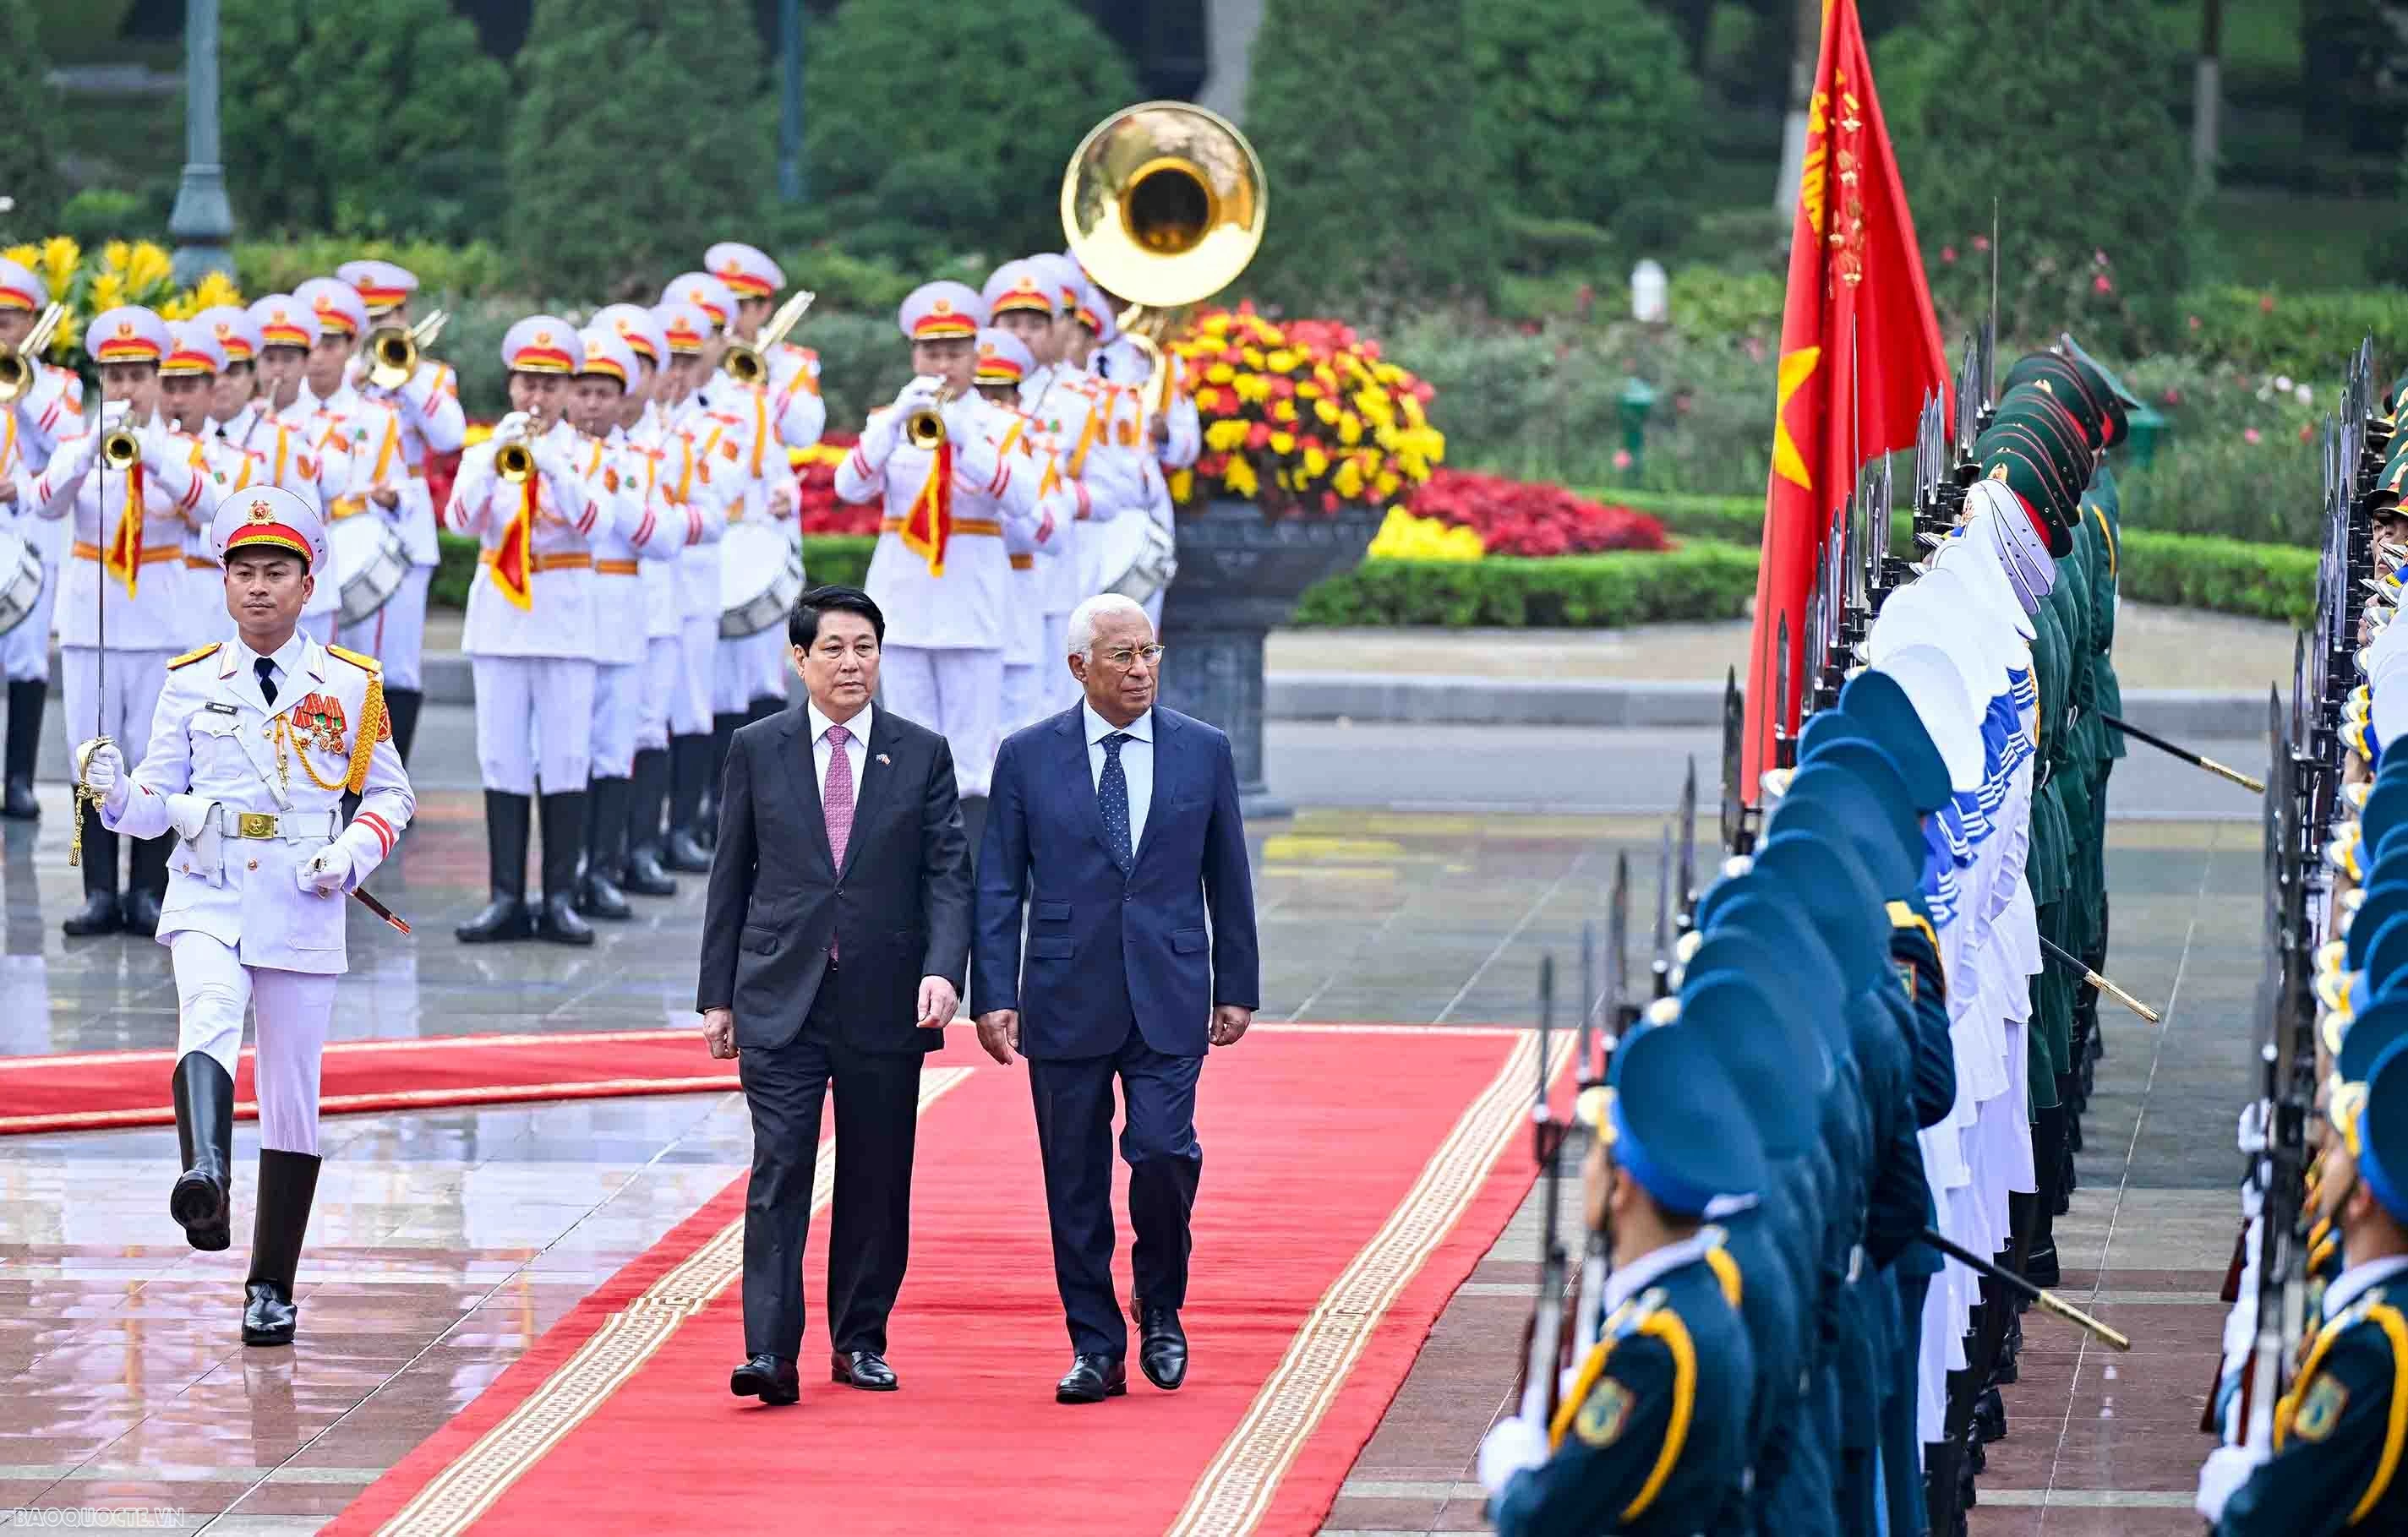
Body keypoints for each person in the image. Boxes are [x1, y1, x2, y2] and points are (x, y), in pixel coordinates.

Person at [75, 482, 412, 1344]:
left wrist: (353, 851)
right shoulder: (190, 681)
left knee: (294, 1094)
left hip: (302, 896)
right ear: (223, 583)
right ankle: (207, 1176)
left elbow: (390, 795)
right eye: (243, 571)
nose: (258, 587)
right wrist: (115, 794)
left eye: (277, 571)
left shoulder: (348, 683)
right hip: (209, 886)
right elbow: (158, 798)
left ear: (308, 584)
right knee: (208, 1015)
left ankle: (272, 1285)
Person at [972, 591, 1259, 1403]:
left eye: (1150, 653)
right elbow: (999, 883)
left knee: (1165, 1152)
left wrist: (1236, 981)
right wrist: (993, 991)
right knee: (1074, 1176)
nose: (1141, 670)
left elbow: (1227, 874)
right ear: (1079, 668)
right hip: (1064, 992)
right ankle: (1094, 1343)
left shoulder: (1202, 750)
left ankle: (1159, 1302)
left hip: (1169, 986)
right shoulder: (1027, 756)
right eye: (1123, 656)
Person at [696, 585, 970, 1404]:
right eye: (835, 649)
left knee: (877, 1175)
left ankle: (859, 1339)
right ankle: (769, 1352)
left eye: (865, 648)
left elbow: (947, 874)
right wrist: (718, 995)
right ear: (799, 658)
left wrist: (943, 968)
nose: (852, 663)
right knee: (779, 1168)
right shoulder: (758, 746)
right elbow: (729, 874)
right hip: (780, 992)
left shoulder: (919, 752)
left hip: (885, 997)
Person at [1477, 1022, 1763, 1537]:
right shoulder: (1707, 1290)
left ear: (1621, 1189)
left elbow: (1547, 1516)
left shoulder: (1653, 1349)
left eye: (1594, 1154)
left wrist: (1511, 1473)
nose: (1584, 1169)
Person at [23, 304, 210, 937]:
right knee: (91, 754)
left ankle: (147, 890)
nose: (126, 386)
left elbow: (211, 505)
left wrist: (151, 453)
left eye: (138, 373)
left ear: (159, 379)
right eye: (115, 373)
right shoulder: (81, 444)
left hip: (159, 620)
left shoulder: (179, 447)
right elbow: (43, 504)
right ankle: (99, 890)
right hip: (92, 623)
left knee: (158, 757)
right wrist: (82, 455)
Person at [2201, 1034, 2408, 1534]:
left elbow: (2278, 1513)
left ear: (2361, 1198)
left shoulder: (2373, 1349)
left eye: (2336, 1149)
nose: (2320, 1159)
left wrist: (2234, 1502)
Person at [444, 314, 603, 946]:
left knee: (565, 759)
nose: (535, 395)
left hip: (564, 621)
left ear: (567, 387)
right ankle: (505, 896)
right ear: (510, 386)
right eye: (525, 382)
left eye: (548, 382)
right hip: (502, 623)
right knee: (502, 758)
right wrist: (493, 462)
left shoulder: (588, 453)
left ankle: (559, 896)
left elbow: (593, 522)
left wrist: (552, 465)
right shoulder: (483, 450)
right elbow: (459, 519)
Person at [335, 259, 466, 765]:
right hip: (346, 522)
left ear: (404, 314)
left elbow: (450, 436)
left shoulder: (430, 376)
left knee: (398, 664)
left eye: (384, 317)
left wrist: (403, 376)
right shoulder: (343, 374)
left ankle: (388, 780)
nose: (374, 328)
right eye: (365, 319)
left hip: (404, 530)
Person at [0, 256, 83, 820]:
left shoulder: (60, 384)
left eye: (9, 318)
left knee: (27, 661)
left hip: (31, 531)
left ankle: (19, 780)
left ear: (31, 323)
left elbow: (74, 443)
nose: (1, 327)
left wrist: (22, 386)